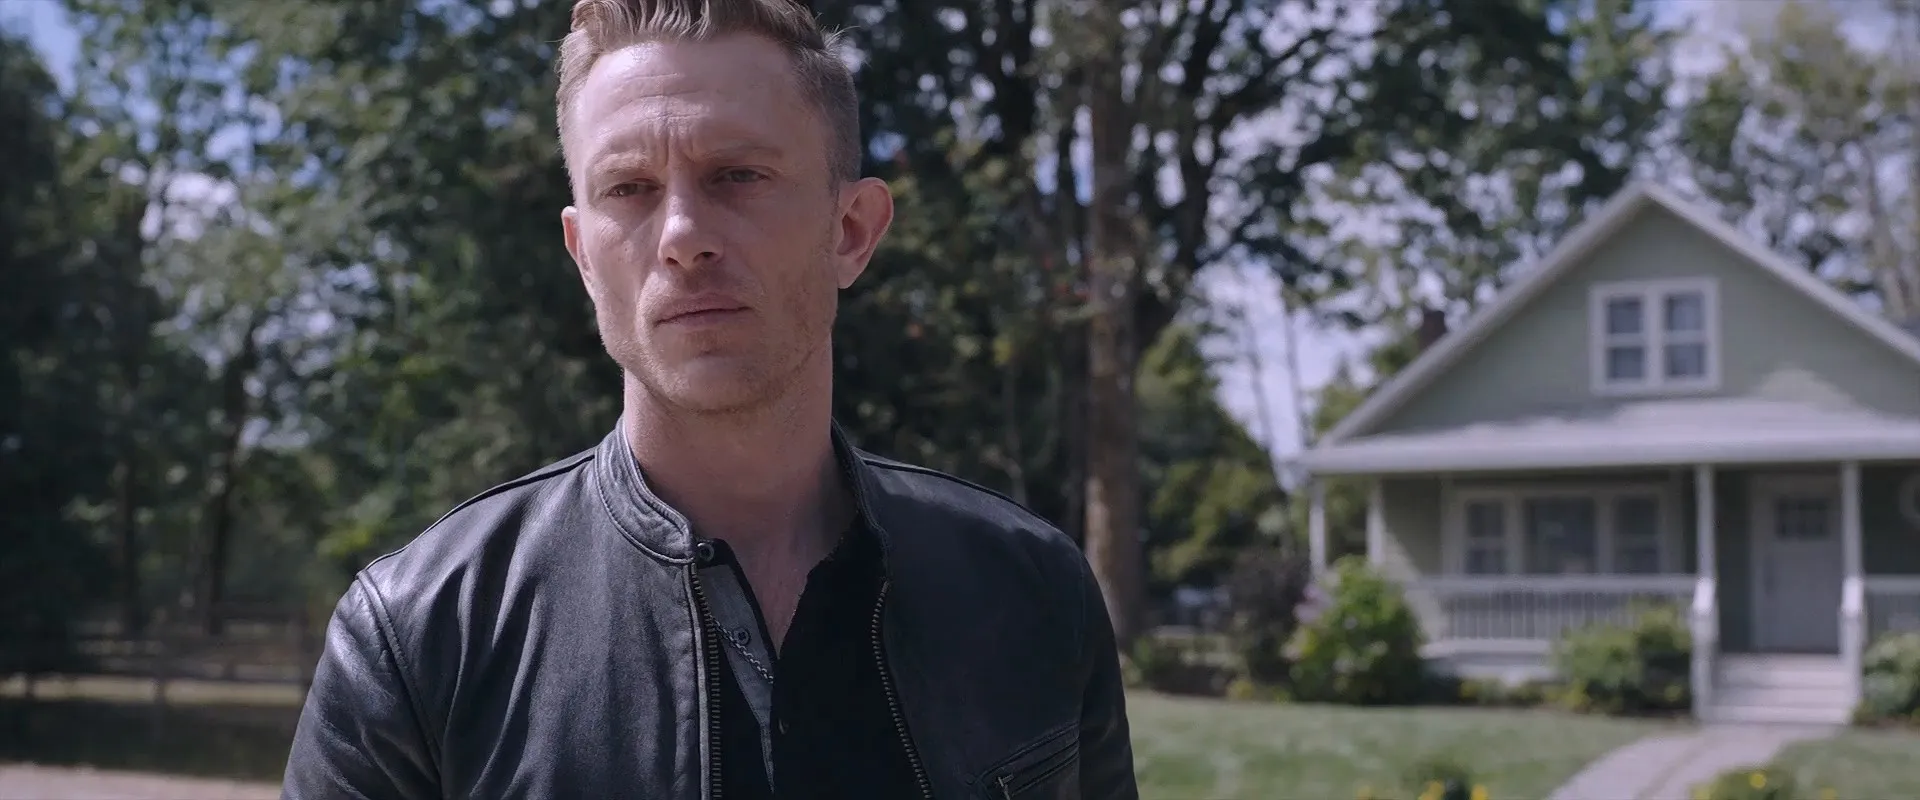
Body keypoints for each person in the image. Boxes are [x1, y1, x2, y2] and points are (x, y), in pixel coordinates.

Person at [279, 0, 1139, 797]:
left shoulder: (1033, 592)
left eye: (737, 175)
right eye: (629, 188)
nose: (684, 236)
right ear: (583, 257)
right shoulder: (417, 635)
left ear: (851, 232)